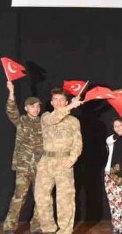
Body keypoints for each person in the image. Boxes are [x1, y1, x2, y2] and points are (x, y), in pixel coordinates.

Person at [34, 88, 83, 234]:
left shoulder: (74, 121)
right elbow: (53, 119)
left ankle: (65, 231)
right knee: (41, 197)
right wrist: (70, 107)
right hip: (46, 161)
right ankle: (49, 229)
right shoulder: (45, 117)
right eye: (55, 100)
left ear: (66, 101)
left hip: (64, 161)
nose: (59, 102)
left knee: (65, 200)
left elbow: (78, 143)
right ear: (51, 103)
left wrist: (72, 159)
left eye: (62, 100)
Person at [3, 81, 44, 234]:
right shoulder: (21, 121)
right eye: (32, 106)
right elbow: (10, 110)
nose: (36, 109)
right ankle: (9, 227)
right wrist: (11, 92)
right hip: (24, 167)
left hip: (40, 167)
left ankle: (37, 226)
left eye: (38, 106)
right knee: (19, 197)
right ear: (26, 108)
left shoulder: (44, 122)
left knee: (40, 198)